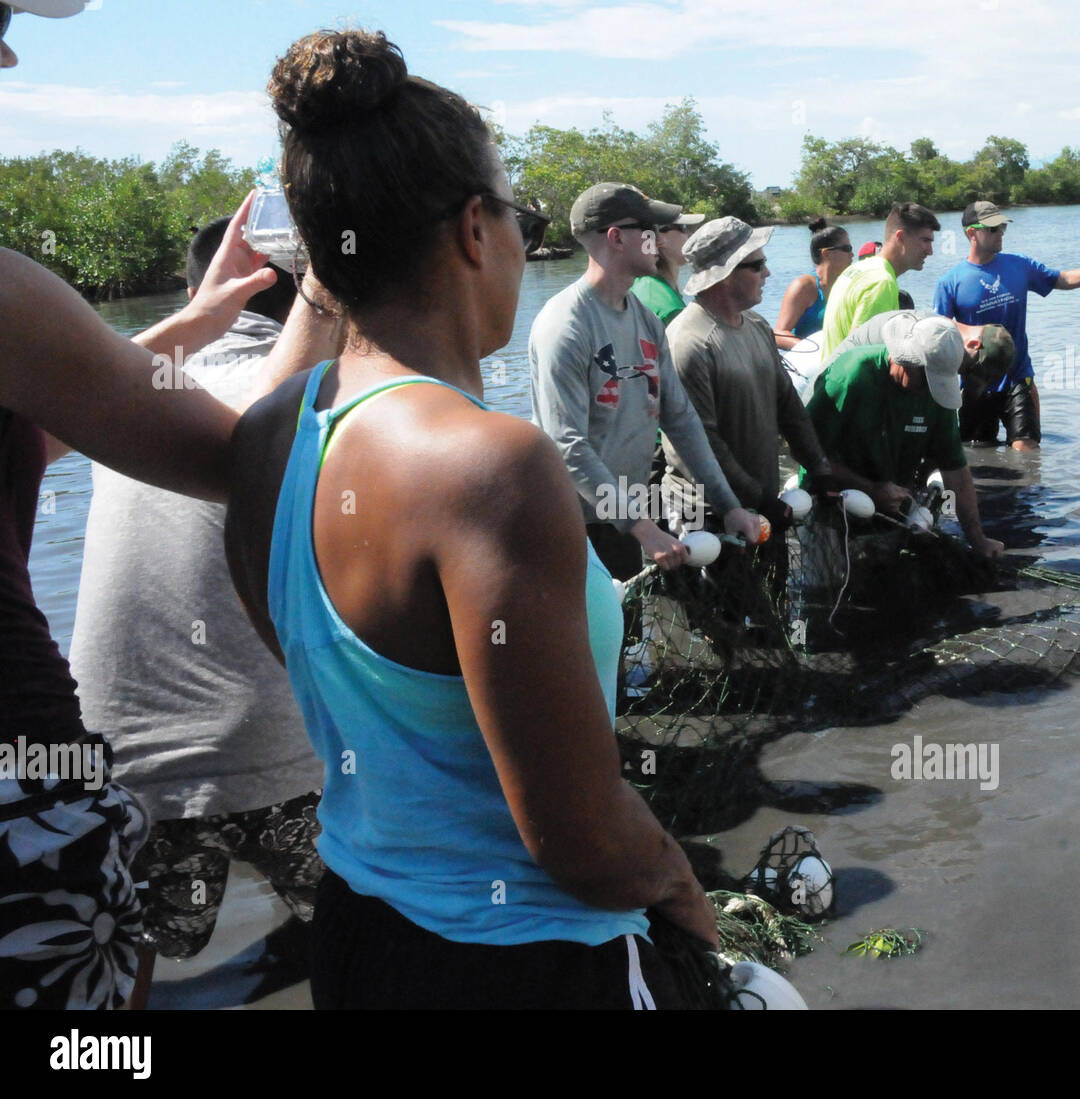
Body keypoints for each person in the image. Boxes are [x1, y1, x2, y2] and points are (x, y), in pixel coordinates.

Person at [224, 29, 717, 1009]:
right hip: (531, 963)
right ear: (472, 231)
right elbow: (579, 840)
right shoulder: (491, 464)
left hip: (361, 935)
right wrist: (678, 883)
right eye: (518, 216)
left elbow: (342, 682)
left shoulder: (272, 431)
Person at [0, 2, 341, 1011]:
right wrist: (328, 286)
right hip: (28, 805)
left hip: (112, 769)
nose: (11, 47)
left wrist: (194, 319)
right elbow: (244, 457)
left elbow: (46, 434)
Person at [68, 220, 330, 1007]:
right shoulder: (320, 397)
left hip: (118, 763)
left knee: (131, 965)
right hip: (282, 755)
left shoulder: (112, 395)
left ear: (196, 295)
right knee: (364, 927)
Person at [530, 182, 763, 586]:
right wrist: (642, 527)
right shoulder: (564, 325)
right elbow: (565, 443)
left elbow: (682, 419)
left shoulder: (646, 321)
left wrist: (729, 507)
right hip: (572, 525)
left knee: (628, 638)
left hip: (625, 516)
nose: (659, 240)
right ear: (616, 238)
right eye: (649, 229)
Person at [662, 216, 837, 532]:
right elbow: (701, 441)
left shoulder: (757, 326)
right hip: (709, 518)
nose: (767, 273)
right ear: (726, 275)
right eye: (757, 266)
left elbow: (789, 407)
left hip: (762, 507)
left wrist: (820, 469)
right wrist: (760, 499)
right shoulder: (688, 342)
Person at [932, 200, 1080, 450]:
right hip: (976, 386)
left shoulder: (1019, 265)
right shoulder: (949, 283)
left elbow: (1063, 279)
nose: (1002, 232)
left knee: (1027, 453)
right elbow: (939, 336)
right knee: (978, 455)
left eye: (1003, 227)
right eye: (994, 229)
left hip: (1018, 379)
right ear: (971, 233)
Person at [804, 315, 1004, 559]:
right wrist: (870, 489)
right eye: (928, 381)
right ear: (906, 362)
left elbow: (957, 475)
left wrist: (978, 539)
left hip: (888, 510)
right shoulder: (853, 374)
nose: (932, 391)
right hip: (831, 503)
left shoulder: (938, 400)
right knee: (830, 588)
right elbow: (805, 450)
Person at [820, 201, 940, 360]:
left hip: (827, 378)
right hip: (848, 383)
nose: (930, 251)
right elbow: (858, 358)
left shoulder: (857, 269)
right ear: (901, 237)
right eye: (925, 241)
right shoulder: (881, 283)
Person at [826, 306, 1017, 401]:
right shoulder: (925, 338)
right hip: (832, 397)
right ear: (974, 344)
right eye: (965, 370)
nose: (959, 374)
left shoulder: (941, 337)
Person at [772, 218, 854, 350]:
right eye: (847, 248)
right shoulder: (803, 286)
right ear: (826, 253)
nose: (852, 254)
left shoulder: (848, 285)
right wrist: (813, 351)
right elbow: (778, 334)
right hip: (807, 365)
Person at [629, 212, 704, 325]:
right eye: (683, 228)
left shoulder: (643, 283)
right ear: (659, 237)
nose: (689, 234)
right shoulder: (670, 308)